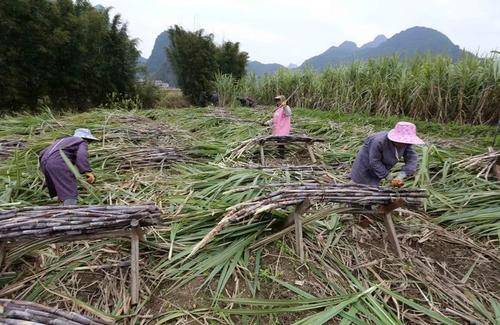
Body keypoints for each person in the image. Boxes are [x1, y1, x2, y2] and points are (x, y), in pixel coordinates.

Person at [350, 122, 424, 187]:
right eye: (401, 142)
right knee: (361, 186)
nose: (403, 144)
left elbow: (412, 158)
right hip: (365, 165)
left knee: (374, 186)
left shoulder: (406, 144)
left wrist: (402, 175)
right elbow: (375, 161)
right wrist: (388, 176)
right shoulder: (379, 141)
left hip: (381, 166)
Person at [39, 128, 98, 205]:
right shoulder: (81, 141)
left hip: (44, 163)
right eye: (89, 141)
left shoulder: (60, 142)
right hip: (58, 163)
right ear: (86, 138)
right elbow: (81, 155)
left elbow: (41, 154)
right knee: (69, 191)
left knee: (58, 190)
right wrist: (87, 171)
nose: (88, 143)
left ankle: (59, 206)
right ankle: (70, 213)